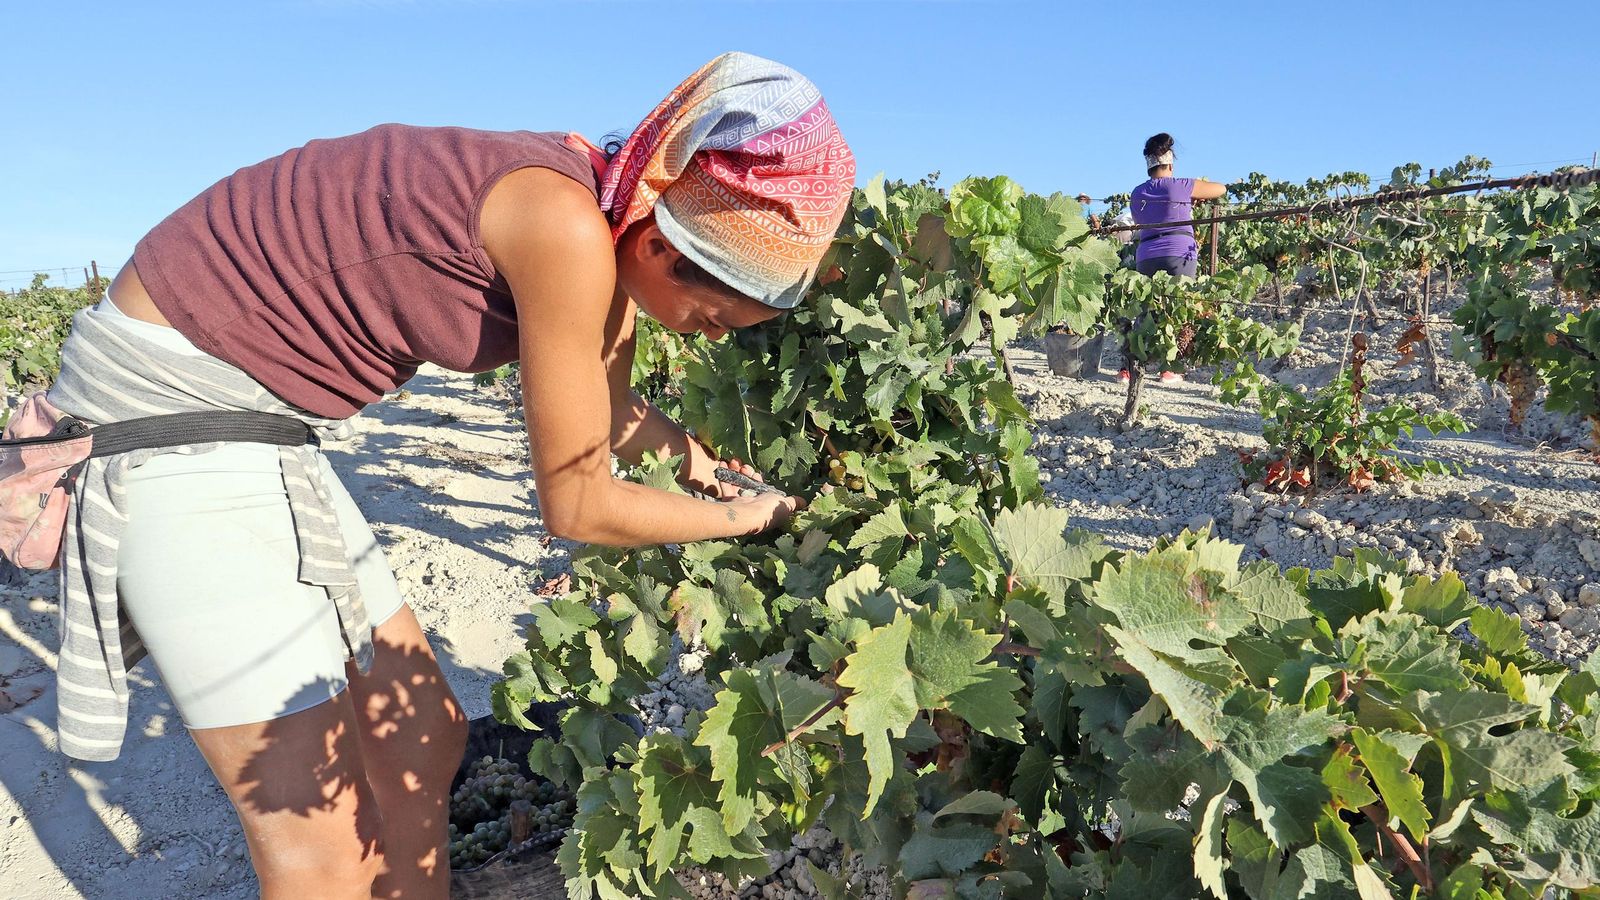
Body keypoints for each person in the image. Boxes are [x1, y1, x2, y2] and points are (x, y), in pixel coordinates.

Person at [42, 51, 854, 899]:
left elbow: (609, 414)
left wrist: (707, 471)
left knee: (424, 738)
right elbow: (578, 502)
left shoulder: (608, 218)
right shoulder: (566, 227)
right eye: (716, 314)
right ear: (659, 243)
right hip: (175, 410)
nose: (715, 339)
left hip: (264, 421)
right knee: (323, 854)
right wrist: (749, 522)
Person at [1119, 132, 1227, 383]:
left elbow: (1139, 221)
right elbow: (1221, 189)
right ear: (1170, 162)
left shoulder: (1137, 193)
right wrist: (1190, 194)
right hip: (1179, 253)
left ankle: (1129, 368)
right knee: (1178, 310)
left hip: (1146, 254)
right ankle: (1170, 368)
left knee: (1146, 312)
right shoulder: (1180, 185)